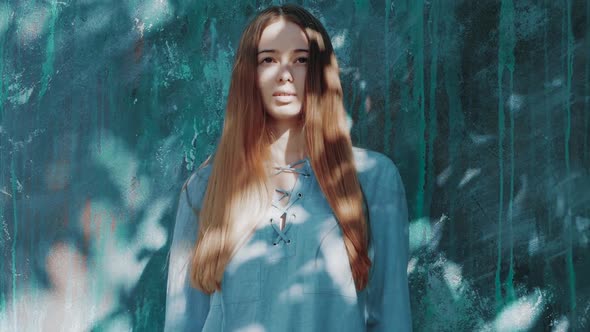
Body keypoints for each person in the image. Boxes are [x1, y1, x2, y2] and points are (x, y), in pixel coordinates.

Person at [165, 4, 411, 331]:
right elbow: (183, 323)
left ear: (320, 71)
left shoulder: (373, 179)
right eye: (268, 59)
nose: (285, 73)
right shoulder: (204, 188)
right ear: (249, 75)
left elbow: (392, 319)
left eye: (300, 59)